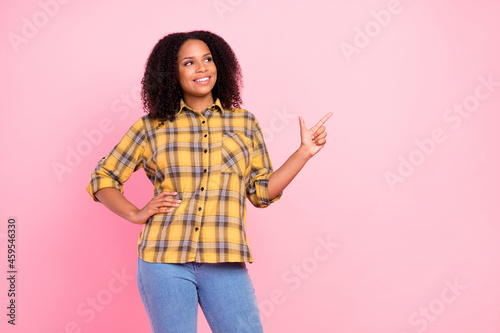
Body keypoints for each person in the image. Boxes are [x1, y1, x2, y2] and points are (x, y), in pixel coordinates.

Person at [86, 30, 332, 333]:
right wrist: (135, 213)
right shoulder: (152, 127)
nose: (202, 68)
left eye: (207, 59)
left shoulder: (244, 123)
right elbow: (103, 177)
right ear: (170, 73)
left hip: (224, 260)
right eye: (188, 62)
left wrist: (303, 153)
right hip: (163, 260)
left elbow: (260, 192)